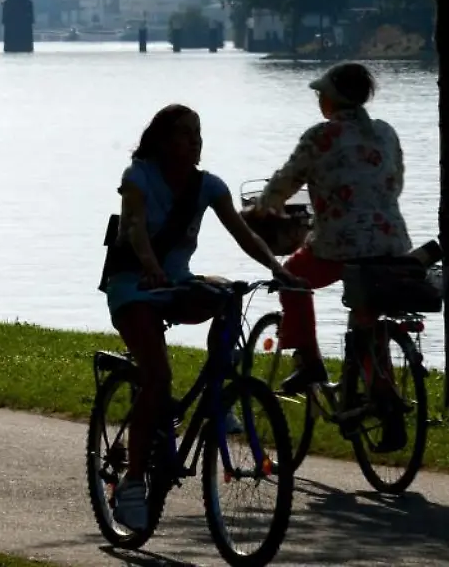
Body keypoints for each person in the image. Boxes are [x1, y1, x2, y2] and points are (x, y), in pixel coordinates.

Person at [102, 104, 302, 532]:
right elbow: (134, 227)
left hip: (175, 283)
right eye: (185, 134)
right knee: (157, 378)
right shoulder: (137, 177)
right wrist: (150, 266)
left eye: (199, 134)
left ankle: (219, 388)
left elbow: (244, 234)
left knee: (228, 292)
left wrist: (277, 268)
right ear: (163, 141)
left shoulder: (208, 185)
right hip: (133, 286)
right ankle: (133, 484)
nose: (195, 142)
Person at [250, 62, 413, 451]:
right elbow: (396, 182)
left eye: (321, 94)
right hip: (391, 243)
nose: (318, 100)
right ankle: (384, 402)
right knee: (366, 318)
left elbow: (287, 180)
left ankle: (309, 361)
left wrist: (263, 208)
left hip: (340, 244)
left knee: (292, 275)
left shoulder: (321, 137)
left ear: (332, 99)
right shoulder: (385, 132)